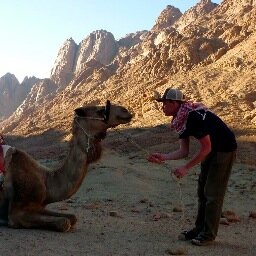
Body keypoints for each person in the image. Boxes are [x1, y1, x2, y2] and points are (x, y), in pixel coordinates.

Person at [147, 88, 237, 246]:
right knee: (202, 191)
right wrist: (164, 157)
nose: (163, 107)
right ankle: (199, 229)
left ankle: (208, 234)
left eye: (165, 103)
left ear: (175, 103)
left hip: (224, 150)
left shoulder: (193, 117)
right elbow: (184, 151)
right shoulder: (180, 120)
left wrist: (186, 168)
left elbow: (206, 148)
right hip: (213, 150)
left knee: (212, 193)